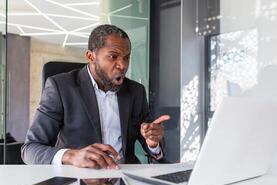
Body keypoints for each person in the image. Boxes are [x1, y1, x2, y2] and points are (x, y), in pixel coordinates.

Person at [21, 24, 170, 169]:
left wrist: (153, 143)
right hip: (78, 177)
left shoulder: (135, 91)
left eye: (126, 57)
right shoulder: (60, 87)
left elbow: (150, 141)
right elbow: (30, 149)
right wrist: (72, 156)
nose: (123, 65)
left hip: (125, 175)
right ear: (91, 56)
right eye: (113, 56)